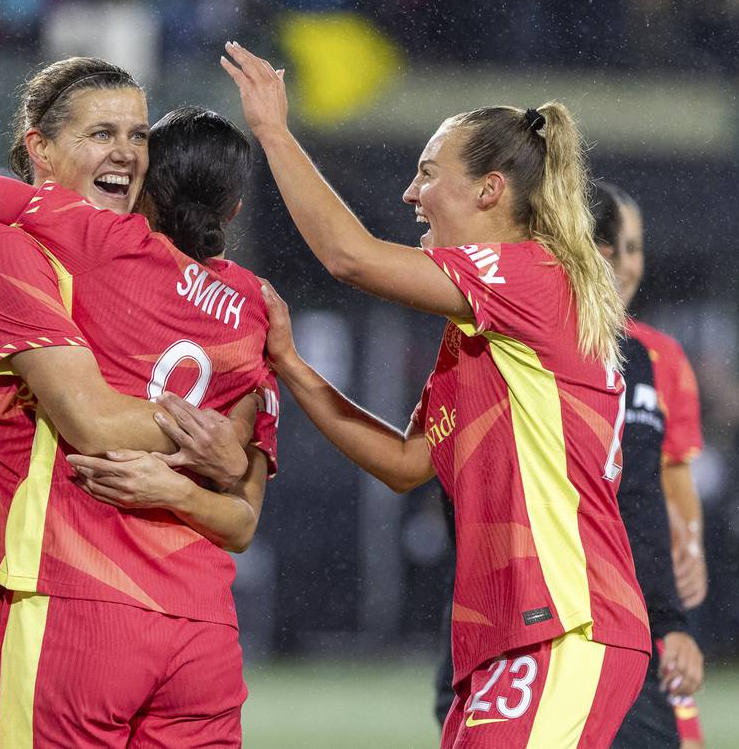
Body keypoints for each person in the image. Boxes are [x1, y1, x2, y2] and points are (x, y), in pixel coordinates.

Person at [220, 42, 650, 747]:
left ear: (490, 190)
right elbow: (404, 464)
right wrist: (292, 365)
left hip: (569, 621)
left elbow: (349, 256)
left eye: (427, 174)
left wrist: (272, 131)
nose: (410, 195)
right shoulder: (480, 332)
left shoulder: (530, 275)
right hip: (506, 636)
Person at [0, 59, 274, 749]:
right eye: (100, 133)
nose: (125, 152)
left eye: (138, 136)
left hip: (23, 577)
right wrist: (220, 436)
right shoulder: (4, 250)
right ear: (40, 148)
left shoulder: (115, 269)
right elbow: (94, 421)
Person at [593, 182, 707, 749]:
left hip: (648, 583)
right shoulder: (548, 342)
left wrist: (689, 544)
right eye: (620, 246)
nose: (628, 263)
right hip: (586, 589)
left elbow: (672, 470)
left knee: (678, 734)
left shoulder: (658, 356)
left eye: (637, 248)